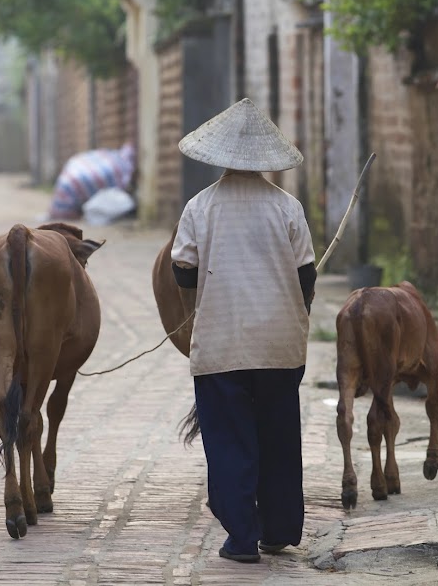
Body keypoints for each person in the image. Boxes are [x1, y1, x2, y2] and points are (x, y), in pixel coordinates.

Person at [170, 98, 316, 563]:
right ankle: (278, 530)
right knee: (278, 438)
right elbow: (306, 276)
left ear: (221, 157)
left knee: (230, 442)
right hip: (279, 346)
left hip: (221, 343)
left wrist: (197, 305)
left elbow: (183, 269)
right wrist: (296, 314)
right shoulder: (288, 207)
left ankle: (241, 539)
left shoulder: (200, 207)